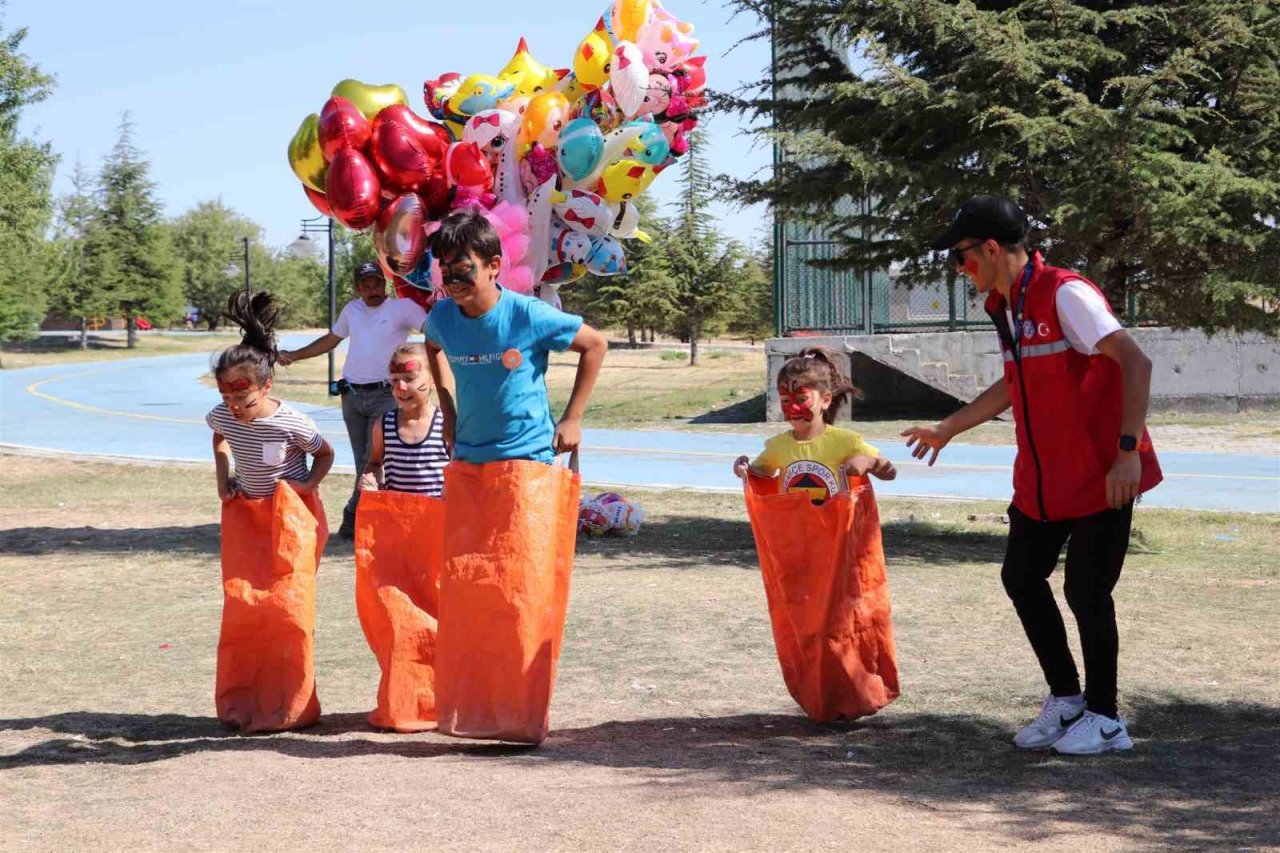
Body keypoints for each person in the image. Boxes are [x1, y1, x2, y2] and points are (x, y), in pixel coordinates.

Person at [903, 195, 1162, 756]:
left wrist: (1127, 453)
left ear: (992, 248)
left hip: (1101, 473)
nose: (959, 268)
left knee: (1087, 591)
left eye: (963, 257)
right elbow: (1013, 383)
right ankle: (1067, 699)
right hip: (1044, 481)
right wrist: (949, 427)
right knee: (1021, 577)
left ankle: (1107, 717)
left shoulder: (1064, 292)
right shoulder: (1009, 305)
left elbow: (1136, 362)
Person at [423, 208, 607, 463]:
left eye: (463, 268)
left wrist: (572, 418)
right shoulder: (441, 318)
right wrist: (447, 409)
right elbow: (432, 346)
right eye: (445, 270)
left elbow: (595, 345)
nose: (453, 279)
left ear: (493, 266)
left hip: (528, 459)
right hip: (468, 456)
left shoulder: (527, 315)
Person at [277, 261, 431, 538]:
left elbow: (433, 332)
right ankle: (366, 519)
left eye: (376, 283)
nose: (372, 290)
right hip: (353, 395)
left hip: (388, 394)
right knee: (365, 461)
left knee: (374, 458)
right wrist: (294, 355)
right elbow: (330, 340)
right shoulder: (352, 310)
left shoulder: (403, 308)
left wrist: (421, 365)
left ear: (385, 283)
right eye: (366, 285)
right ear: (358, 288)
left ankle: (355, 518)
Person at [208, 291, 334, 501]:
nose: (234, 407)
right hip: (249, 509)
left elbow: (325, 454)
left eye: (243, 398)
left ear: (266, 386)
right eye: (226, 398)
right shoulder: (223, 415)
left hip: (290, 511)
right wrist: (222, 478)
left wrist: (308, 485)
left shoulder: (292, 422)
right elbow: (219, 433)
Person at [733, 347, 896, 500]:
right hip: (794, 529)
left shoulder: (846, 441)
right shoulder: (778, 446)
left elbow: (890, 472)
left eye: (802, 399)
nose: (793, 407)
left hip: (835, 529)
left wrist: (869, 462)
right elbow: (756, 475)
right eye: (785, 400)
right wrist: (742, 469)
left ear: (825, 400)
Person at [358, 342, 450, 496]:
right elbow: (374, 463)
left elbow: (460, 469)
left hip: (436, 516)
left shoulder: (445, 424)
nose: (401, 387)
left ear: (433, 380)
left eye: (409, 378)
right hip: (398, 517)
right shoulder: (384, 424)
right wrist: (370, 480)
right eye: (395, 380)